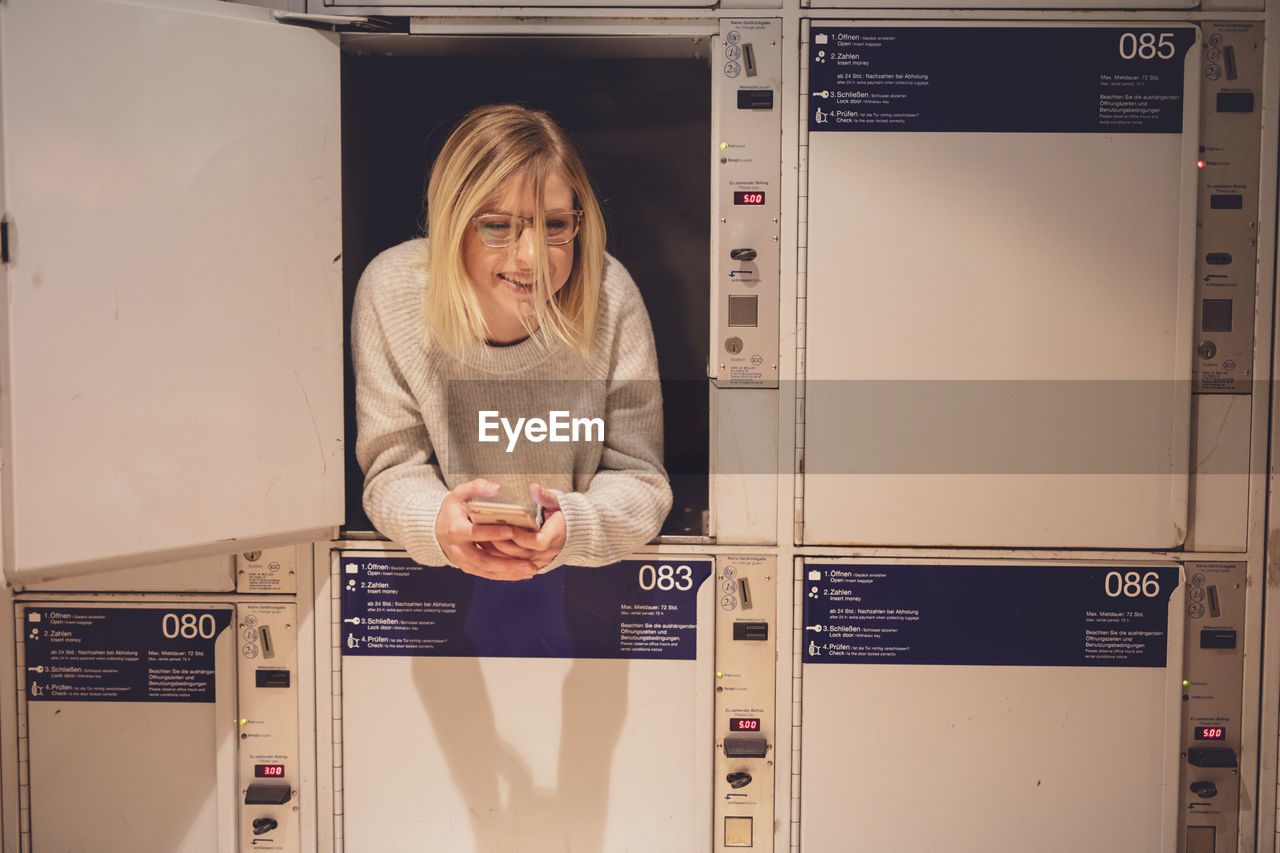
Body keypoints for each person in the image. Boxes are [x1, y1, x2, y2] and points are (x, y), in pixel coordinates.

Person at [352, 104, 672, 581]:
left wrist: (577, 525)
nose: (531, 258)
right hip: (440, 579)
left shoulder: (607, 292)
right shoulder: (392, 291)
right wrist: (437, 522)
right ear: (451, 226)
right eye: (497, 226)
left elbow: (641, 479)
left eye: (556, 225)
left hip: (585, 577)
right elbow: (392, 471)